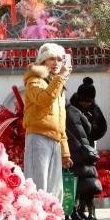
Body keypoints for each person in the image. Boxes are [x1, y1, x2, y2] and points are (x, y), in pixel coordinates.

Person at [22, 43, 72, 202]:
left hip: (55, 141)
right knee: (39, 188)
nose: (56, 63)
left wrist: (65, 152)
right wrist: (60, 78)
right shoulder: (34, 80)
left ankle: (53, 218)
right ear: (43, 62)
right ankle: (36, 218)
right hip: (38, 137)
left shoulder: (57, 84)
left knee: (55, 191)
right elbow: (44, 100)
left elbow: (61, 122)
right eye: (51, 59)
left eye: (59, 59)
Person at [66, 77, 107, 220]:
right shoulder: (72, 108)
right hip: (74, 150)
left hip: (87, 149)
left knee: (86, 181)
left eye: (89, 102)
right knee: (78, 181)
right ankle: (78, 211)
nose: (86, 104)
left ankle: (86, 212)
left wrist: (90, 131)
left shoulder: (94, 109)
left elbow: (100, 128)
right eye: (84, 101)